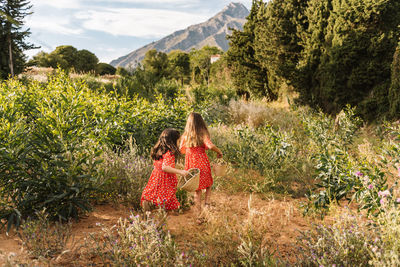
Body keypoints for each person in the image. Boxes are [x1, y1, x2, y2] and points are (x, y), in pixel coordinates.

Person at [180, 112, 223, 223]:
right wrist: (219, 151)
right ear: (201, 122)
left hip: (191, 166)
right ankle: (207, 205)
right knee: (208, 184)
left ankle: (199, 217)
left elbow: (181, 149)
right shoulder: (203, 133)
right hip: (202, 163)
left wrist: (189, 151)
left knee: (197, 190)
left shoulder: (186, 135)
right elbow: (210, 145)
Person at [141, 128, 189, 212]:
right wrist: (180, 172)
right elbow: (165, 167)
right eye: (178, 141)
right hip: (165, 179)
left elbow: (161, 164)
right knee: (166, 196)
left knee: (155, 192)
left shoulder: (160, 150)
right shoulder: (169, 153)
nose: (178, 143)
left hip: (156, 177)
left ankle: (149, 204)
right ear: (172, 141)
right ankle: (162, 211)